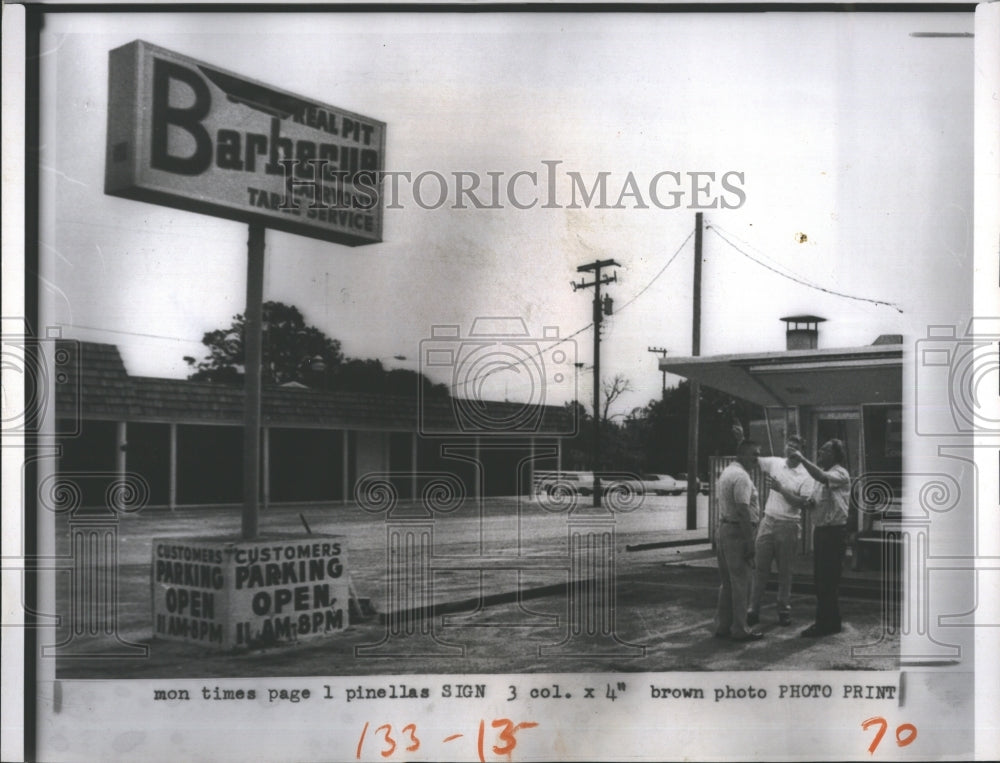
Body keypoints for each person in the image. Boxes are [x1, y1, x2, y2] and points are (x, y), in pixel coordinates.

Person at [748, 435, 814, 627]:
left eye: (795, 446)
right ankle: (753, 609)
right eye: (789, 445)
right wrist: (742, 439)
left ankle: (783, 610)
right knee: (760, 569)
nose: (791, 449)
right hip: (768, 521)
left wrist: (781, 489)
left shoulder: (806, 475)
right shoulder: (776, 463)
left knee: (785, 571)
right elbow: (752, 459)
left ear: (802, 451)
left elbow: (802, 503)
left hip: (789, 525)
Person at [789, 439, 851, 637]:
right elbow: (819, 498)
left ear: (834, 455)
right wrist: (810, 503)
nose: (820, 452)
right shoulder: (819, 476)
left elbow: (823, 477)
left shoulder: (840, 472)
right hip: (822, 531)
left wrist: (801, 459)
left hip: (834, 532)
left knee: (828, 580)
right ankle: (831, 621)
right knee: (821, 580)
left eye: (824, 450)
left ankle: (825, 623)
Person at [713, 439, 763, 641]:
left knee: (727, 583)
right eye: (754, 454)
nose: (756, 459)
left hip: (725, 528)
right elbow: (743, 510)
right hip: (737, 532)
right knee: (742, 583)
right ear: (742, 455)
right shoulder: (741, 476)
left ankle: (723, 626)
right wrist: (749, 542)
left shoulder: (727, 472)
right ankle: (740, 630)